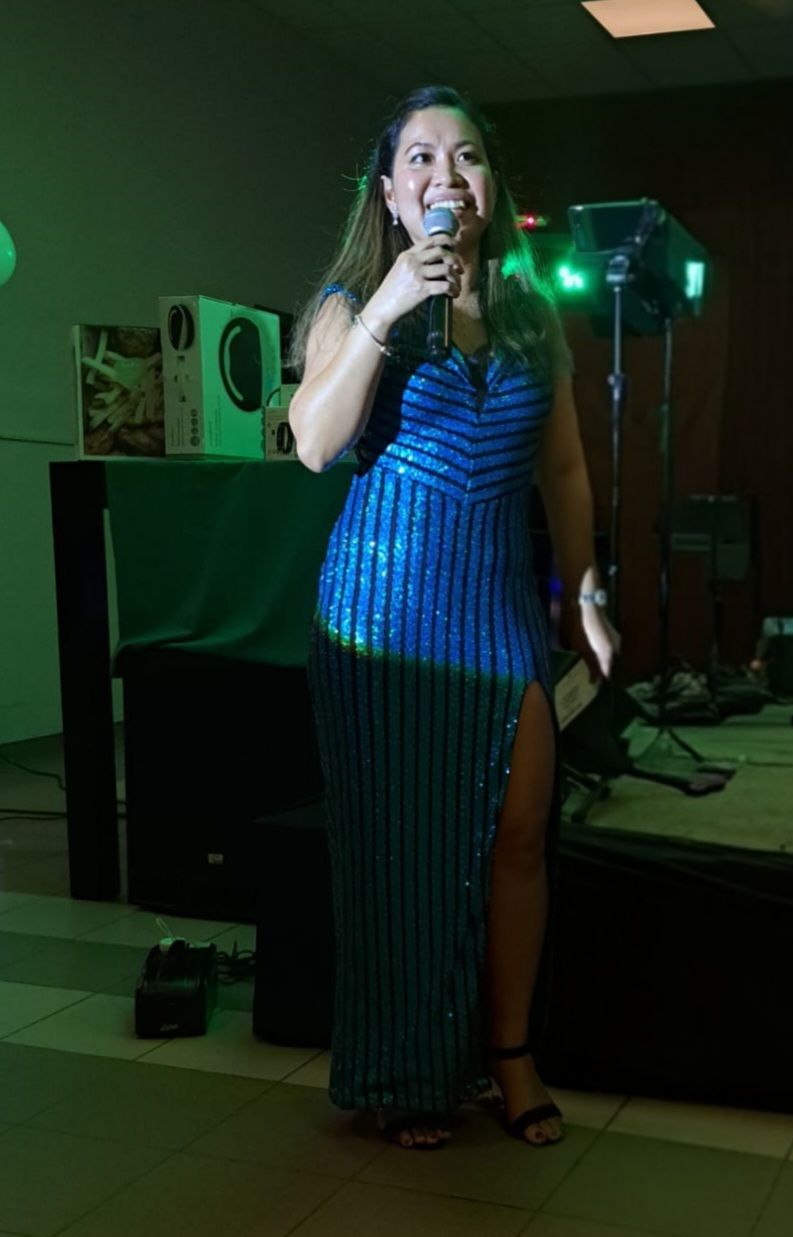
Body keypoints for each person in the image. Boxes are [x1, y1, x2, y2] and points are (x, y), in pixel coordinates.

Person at [288, 85, 616, 1152]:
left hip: (495, 609)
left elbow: (561, 464)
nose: (444, 176)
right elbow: (310, 441)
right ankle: (404, 1064)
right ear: (389, 193)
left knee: (518, 832)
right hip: (379, 613)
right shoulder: (348, 303)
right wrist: (386, 308)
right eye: (420, 158)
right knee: (398, 848)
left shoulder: (530, 316)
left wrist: (587, 586)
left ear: (489, 187)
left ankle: (507, 1051)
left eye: (465, 158)